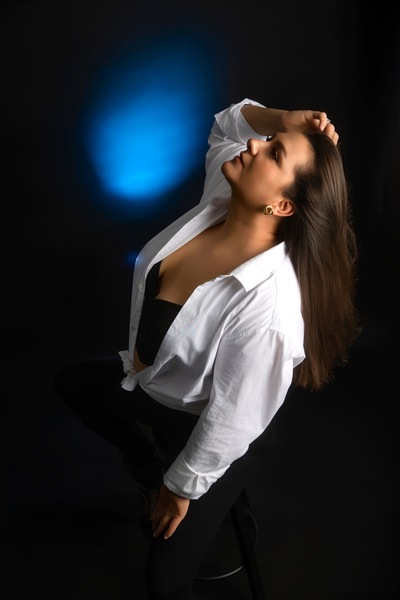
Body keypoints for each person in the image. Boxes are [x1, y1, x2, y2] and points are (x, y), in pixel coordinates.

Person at [55, 97, 360, 599]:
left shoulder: (270, 309)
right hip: (155, 388)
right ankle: (145, 465)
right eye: (268, 141)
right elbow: (228, 124)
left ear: (283, 206)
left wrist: (179, 489)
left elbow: (233, 420)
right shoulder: (224, 193)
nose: (255, 145)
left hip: (219, 431)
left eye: (274, 153)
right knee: (72, 384)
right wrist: (283, 122)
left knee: (164, 580)